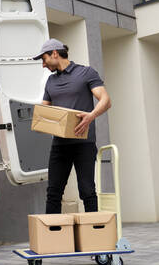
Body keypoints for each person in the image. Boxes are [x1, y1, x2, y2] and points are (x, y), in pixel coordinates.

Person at [33, 39, 112, 214]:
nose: (43, 65)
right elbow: (44, 110)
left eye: (44, 59)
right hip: (59, 145)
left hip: (84, 143)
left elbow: (106, 100)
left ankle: (94, 235)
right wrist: (39, 121)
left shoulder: (86, 73)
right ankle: (52, 236)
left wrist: (91, 116)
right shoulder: (50, 82)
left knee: (87, 191)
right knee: (53, 192)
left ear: (55, 53)